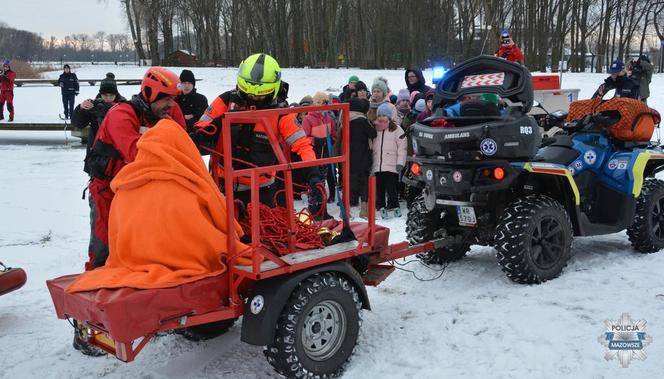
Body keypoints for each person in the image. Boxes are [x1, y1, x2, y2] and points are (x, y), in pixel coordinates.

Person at [73, 67, 185, 356]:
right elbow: (137, 154)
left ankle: (140, 319)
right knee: (103, 256)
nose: (172, 106)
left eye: (174, 100)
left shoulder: (166, 115)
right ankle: (86, 329)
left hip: (139, 195)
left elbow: (183, 142)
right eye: (167, 100)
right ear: (149, 94)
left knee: (143, 259)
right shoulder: (122, 115)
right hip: (107, 194)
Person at [192, 53, 322, 213]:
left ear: (272, 91)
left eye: (258, 97)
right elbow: (200, 129)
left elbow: (301, 144)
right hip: (221, 188)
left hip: (262, 192)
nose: (252, 99)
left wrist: (313, 175)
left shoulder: (282, 113)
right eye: (248, 94)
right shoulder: (226, 101)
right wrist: (215, 126)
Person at [72, 72, 125, 174]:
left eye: (111, 95)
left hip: (116, 156)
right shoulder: (94, 105)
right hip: (96, 155)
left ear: (116, 94)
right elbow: (78, 123)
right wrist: (81, 109)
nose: (108, 98)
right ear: (101, 94)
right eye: (105, 95)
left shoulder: (123, 106)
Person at [335, 97, 376, 218]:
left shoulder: (345, 120)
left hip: (348, 157)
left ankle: (345, 211)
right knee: (364, 182)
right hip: (363, 156)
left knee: (348, 183)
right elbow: (372, 133)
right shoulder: (362, 120)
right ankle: (364, 210)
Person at [372, 103, 407, 219]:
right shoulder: (375, 129)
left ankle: (394, 205)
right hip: (378, 164)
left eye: (384, 115)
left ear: (389, 117)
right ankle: (381, 205)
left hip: (392, 164)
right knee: (380, 188)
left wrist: (400, 162)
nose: (382, 117)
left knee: (391, 187)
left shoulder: (397, 129)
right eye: (379, 115)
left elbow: (402, 147)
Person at [302, 91, 337, 203]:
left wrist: (331, 140)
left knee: (326, 177)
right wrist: (316, 141)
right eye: (321, 103)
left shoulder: (329, 119)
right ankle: (315, 201)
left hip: (326, 153)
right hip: (313, 154)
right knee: (314, 178)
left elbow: (333, 134)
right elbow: (304, 137)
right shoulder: (308, 119)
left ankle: (327, 198)